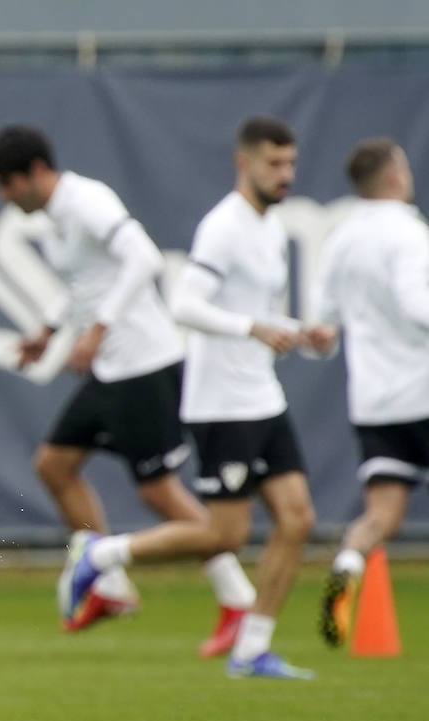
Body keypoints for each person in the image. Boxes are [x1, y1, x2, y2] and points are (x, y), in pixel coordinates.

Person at [59, 115, 319, 680]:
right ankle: (101, 556)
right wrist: (254, 328)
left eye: (291, 163)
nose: (285, 174)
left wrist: (302, 331)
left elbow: (257, 310)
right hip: (222, 402)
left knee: (296, 519)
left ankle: (252, 648)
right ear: (243, 163)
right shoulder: (223, 226)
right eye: (274, 164)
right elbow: (186, 305)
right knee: (225, 533)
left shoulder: (272, 227)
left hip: (262, 397)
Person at [0, 125, 256, 655]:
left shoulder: (87, 200)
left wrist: (100, 328)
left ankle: (238, 599)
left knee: (158, 492)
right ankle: (109, 587)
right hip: (111, 370)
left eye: (6, 184)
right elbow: (86, 283)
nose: (3, 197)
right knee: (53, 466)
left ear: (36, 172)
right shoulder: (56, 218)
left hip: (145, 364)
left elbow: (145, 258)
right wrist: (48, 330)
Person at [307, 137, 429, 645]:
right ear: (397, 177)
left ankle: (347, 561)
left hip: (374, 403)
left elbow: (319, 328)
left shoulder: (340, 239)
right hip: (422, 392)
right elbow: (418, 306)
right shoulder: (409, 233)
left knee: (381, 516)